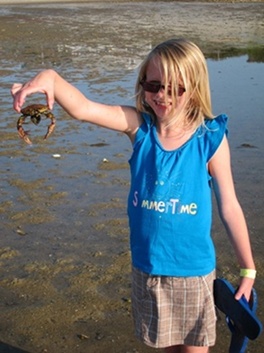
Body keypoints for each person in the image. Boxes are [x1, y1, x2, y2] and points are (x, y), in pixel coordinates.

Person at [11, 38, 256, 353]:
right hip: (149, 270)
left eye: (174, 88)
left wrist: (247, 269)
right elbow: (84, 109)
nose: (161, 96)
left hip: (193, 273)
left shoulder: (209, 139)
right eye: (153, 85)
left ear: (194, 88)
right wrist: (52, 78)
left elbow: (230, 207)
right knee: (166, 347)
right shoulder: (140, 128)